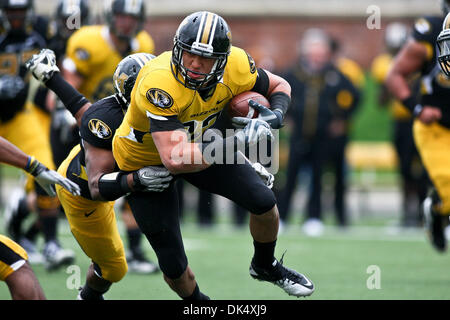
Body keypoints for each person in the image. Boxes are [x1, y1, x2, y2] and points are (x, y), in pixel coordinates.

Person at [112, 11, 314, 299]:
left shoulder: (237, 64)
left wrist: (274, 116)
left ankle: (264, 265)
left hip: (201, 141)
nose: (194, 63)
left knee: (264, 202)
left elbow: (280, 86)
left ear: (222, 59)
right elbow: (175, 159)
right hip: (146, 160)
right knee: (175, 267)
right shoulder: (159, 81)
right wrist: (239, 140)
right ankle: (199, 304)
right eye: (189, 54)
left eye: (204, 59)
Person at [26, 49, 172, 300]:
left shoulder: (161, 109)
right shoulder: (107, 119)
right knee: (115, 268)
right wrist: (136, 180)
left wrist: (52, 78)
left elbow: (81, 108)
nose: (158, 94)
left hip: (110, 182)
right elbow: (96, 186)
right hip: (84, 192)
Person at [61, 0, 158, 273]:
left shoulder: (144, 44)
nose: (127, 23)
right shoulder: (89, 42)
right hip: (91, 121)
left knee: (135, 183)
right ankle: (38, 233)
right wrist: (65, 111)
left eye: (132, 17)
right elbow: (71, 78)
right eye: (122, 16)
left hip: (128, 125)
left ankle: (136, 251)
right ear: (111, 17)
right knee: (75, 183)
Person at [5, 0, 91, 268]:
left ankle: (50, 242)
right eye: (11, 11)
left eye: (21, 11)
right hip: (34, 112)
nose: (16, 17)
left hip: (23, 114)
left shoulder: (46, 33)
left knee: (46, 170)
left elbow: (62, 66)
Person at [277, 29, 359, 236]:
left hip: (323, 136)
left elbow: (355, 96)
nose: (318, 57)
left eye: (321, 52)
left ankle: (313, 217)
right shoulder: (293, 73)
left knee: (318, 178)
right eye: (314, 52)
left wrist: (342, 119)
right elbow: (278, 93)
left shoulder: (334, 74)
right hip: (299, 135)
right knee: (291, 176)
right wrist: (285, 117)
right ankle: (283, 217)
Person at [386, 0, 450, 252]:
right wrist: (417, 108)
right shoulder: (429, 31)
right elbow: (394, 75)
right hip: (437, 127)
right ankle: (437, 209)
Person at [0, 136, 80, 300]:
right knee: (17, 264)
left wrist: (36, 167)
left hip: (19, 115)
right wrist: (34, 167)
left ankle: (49, 241)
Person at [372, 22, 429, 228]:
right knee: (404, 169)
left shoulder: (419, 60)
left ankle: (424, 213)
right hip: (402, 123)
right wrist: (393, 78)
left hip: (422, 121)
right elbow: (381, 101)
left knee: (424, 169)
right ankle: (407, 213)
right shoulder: (383, 64)